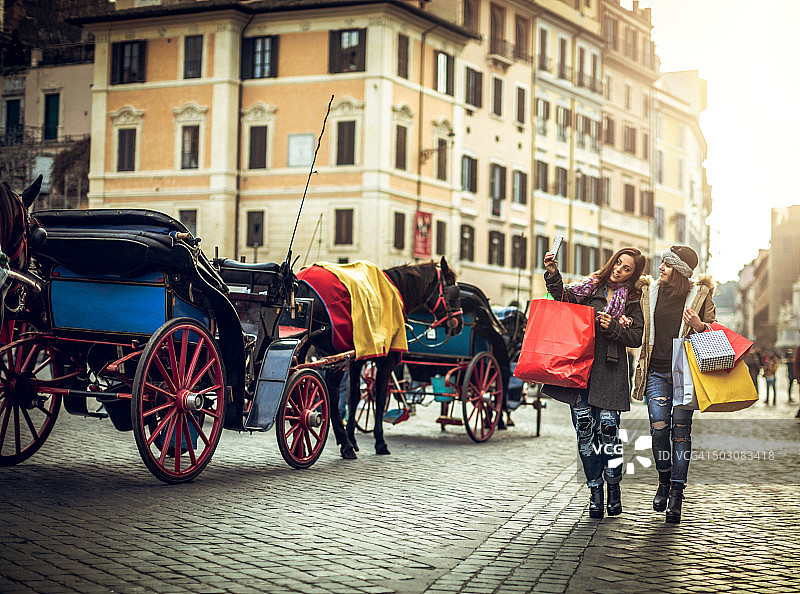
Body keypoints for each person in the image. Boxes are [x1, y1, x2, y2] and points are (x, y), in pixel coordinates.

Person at [543, 247, 646, 519]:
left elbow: (636, 337)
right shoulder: (590, 287)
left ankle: (613, 489)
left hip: (610, 371)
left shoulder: (634, 299)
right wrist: (553, 274)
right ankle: (595, 493)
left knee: (609, 432)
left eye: (627, 269)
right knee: (586, 433)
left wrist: (612, 326)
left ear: (633, 274)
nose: (619, 270)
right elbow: (562, 297)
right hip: (579, 369)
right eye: (618, 264)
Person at [632, 245, 715, 524]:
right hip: (655, 373)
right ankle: (664, 480)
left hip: (684, 375)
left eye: (666, 265)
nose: (660, 268)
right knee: (658, 429)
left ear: (678, 270)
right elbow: (637, 325)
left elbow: (717, 332)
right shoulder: (649, 292)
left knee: (681, 434)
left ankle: (677, 495)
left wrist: (700, 325)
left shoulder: (700, 296)